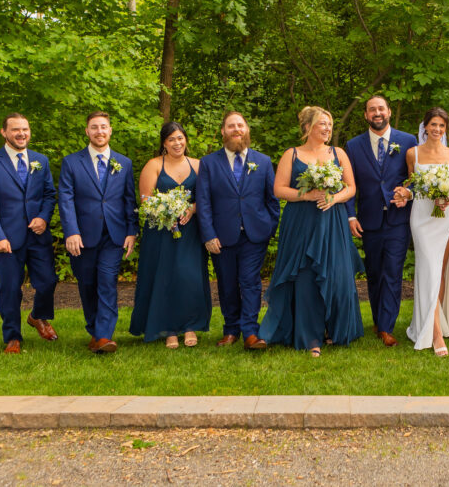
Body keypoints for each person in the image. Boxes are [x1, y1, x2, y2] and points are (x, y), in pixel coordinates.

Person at [259, 107, 364, 357]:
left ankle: (334, 329)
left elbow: (351, 188)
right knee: (306, 278)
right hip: (302, 223)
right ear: (307, 128)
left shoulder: (338, 153)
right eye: (322, 124)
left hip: (333, 221)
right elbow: (279, 190)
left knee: (337, 276)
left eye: (329, 124)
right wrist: (307, 195)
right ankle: (311, 338)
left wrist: (334, 198)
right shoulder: (292, 155)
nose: (327, 128)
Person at [195, 112, 279, 350]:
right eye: (231, 126)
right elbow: (204, 202)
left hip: (255, 235)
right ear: (223, 131)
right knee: (227, 283)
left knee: (250, 282)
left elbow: (271, 200)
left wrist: (269, 227)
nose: (236, 129)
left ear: (247, 129)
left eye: (240, 125)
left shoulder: (262, 161)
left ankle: (250, 331)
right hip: (222, 236)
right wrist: (209, 234)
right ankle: (231, 329)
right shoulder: (209, 163)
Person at [0, 113, 59, 354]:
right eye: (15, 130)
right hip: (6, 238)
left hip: (37, 235)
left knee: (48, 281)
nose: (21, 134)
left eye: (25, 129)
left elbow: (49, 194)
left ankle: (38, 316)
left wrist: (43, 217)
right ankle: (13, 336)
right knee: (10, 288)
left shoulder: (40, 160)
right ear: (4, 132)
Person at [58, 111, 138, 353]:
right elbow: (66, 199)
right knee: (87, 284)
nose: (100, 131)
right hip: (82, 236)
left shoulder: (124, 163)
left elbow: (129, 199)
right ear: (87, 131)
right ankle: (95, 330)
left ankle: (104, 336)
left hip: (114, 235)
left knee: (106, 281)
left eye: (104, 127)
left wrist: (131, 231)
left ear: (110, 130)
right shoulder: (72, 162)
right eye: (95, 127)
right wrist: (71, 232)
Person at [129, 122, 211, 348]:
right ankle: (169, 329)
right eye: (172, 139)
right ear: (164, 143)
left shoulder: (198, 165)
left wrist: (192, 209)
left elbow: (206, 198)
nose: (177, 143)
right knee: (165, 278)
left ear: (186, 140)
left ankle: (190, 326)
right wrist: (167, 209)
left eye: (181, 138)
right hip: (161, 232)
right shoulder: (154, 165)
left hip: (190, 231)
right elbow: (145, 200)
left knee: (189, 277)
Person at [345, 96, 417, 347]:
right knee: (374, 273)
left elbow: (416, 177)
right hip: (368, 219)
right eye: (372, 109)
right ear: (366, 115)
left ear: (388, 112)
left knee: (393, 273)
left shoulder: (408, 141)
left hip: (398, 219)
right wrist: (350, 215)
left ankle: (387, 327)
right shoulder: (353, 146)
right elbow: (348, 184)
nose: (377, 113)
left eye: (381, 108)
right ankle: (377, 319)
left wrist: (408, 192)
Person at [406, 108, 449, 355]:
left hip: (446, 217)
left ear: (445, 129)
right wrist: (408, 193)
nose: (437, 129)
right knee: (428, 270)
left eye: (441, 126)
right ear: (424, 126)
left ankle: (441, 322)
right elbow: (413, 186)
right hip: (422, 217)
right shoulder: (412, 153)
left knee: (443, 270)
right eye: (433, 124)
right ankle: (435, 334)